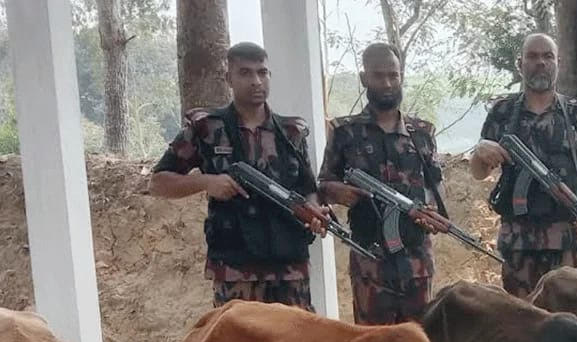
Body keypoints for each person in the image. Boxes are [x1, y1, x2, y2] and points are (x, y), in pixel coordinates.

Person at [149, 42, 328, 310]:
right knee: (237, 339)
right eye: (245, 73)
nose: (256, 81)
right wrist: (206, 182)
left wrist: (313, 210)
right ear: (229, 78)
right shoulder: (207, 128)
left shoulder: (291, 132)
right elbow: (158, 182)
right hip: (235, 269)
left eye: (262, 72)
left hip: (290, 268)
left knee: (298, 338)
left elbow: (308, 187)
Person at [470, 33, 577, 299]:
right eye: (532, 56)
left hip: (565, 240)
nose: (541, 63)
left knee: (565, 316)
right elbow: (479, 172)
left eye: (548, 56)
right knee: (521, 318)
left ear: (558, 63)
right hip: (518, 243)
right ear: (520, 64)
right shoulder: (502, 112)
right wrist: (480, 151)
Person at [318, 42, 442, 324]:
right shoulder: (345, 132)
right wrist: (339, 192)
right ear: (364, 79)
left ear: (401, 77)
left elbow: (436, 186)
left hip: (416, 264)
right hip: (369, 264)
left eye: (393, 75)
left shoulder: (422, 133)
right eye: (378, 75)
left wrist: (428, 209)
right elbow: (324, 184)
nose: (387, 83)